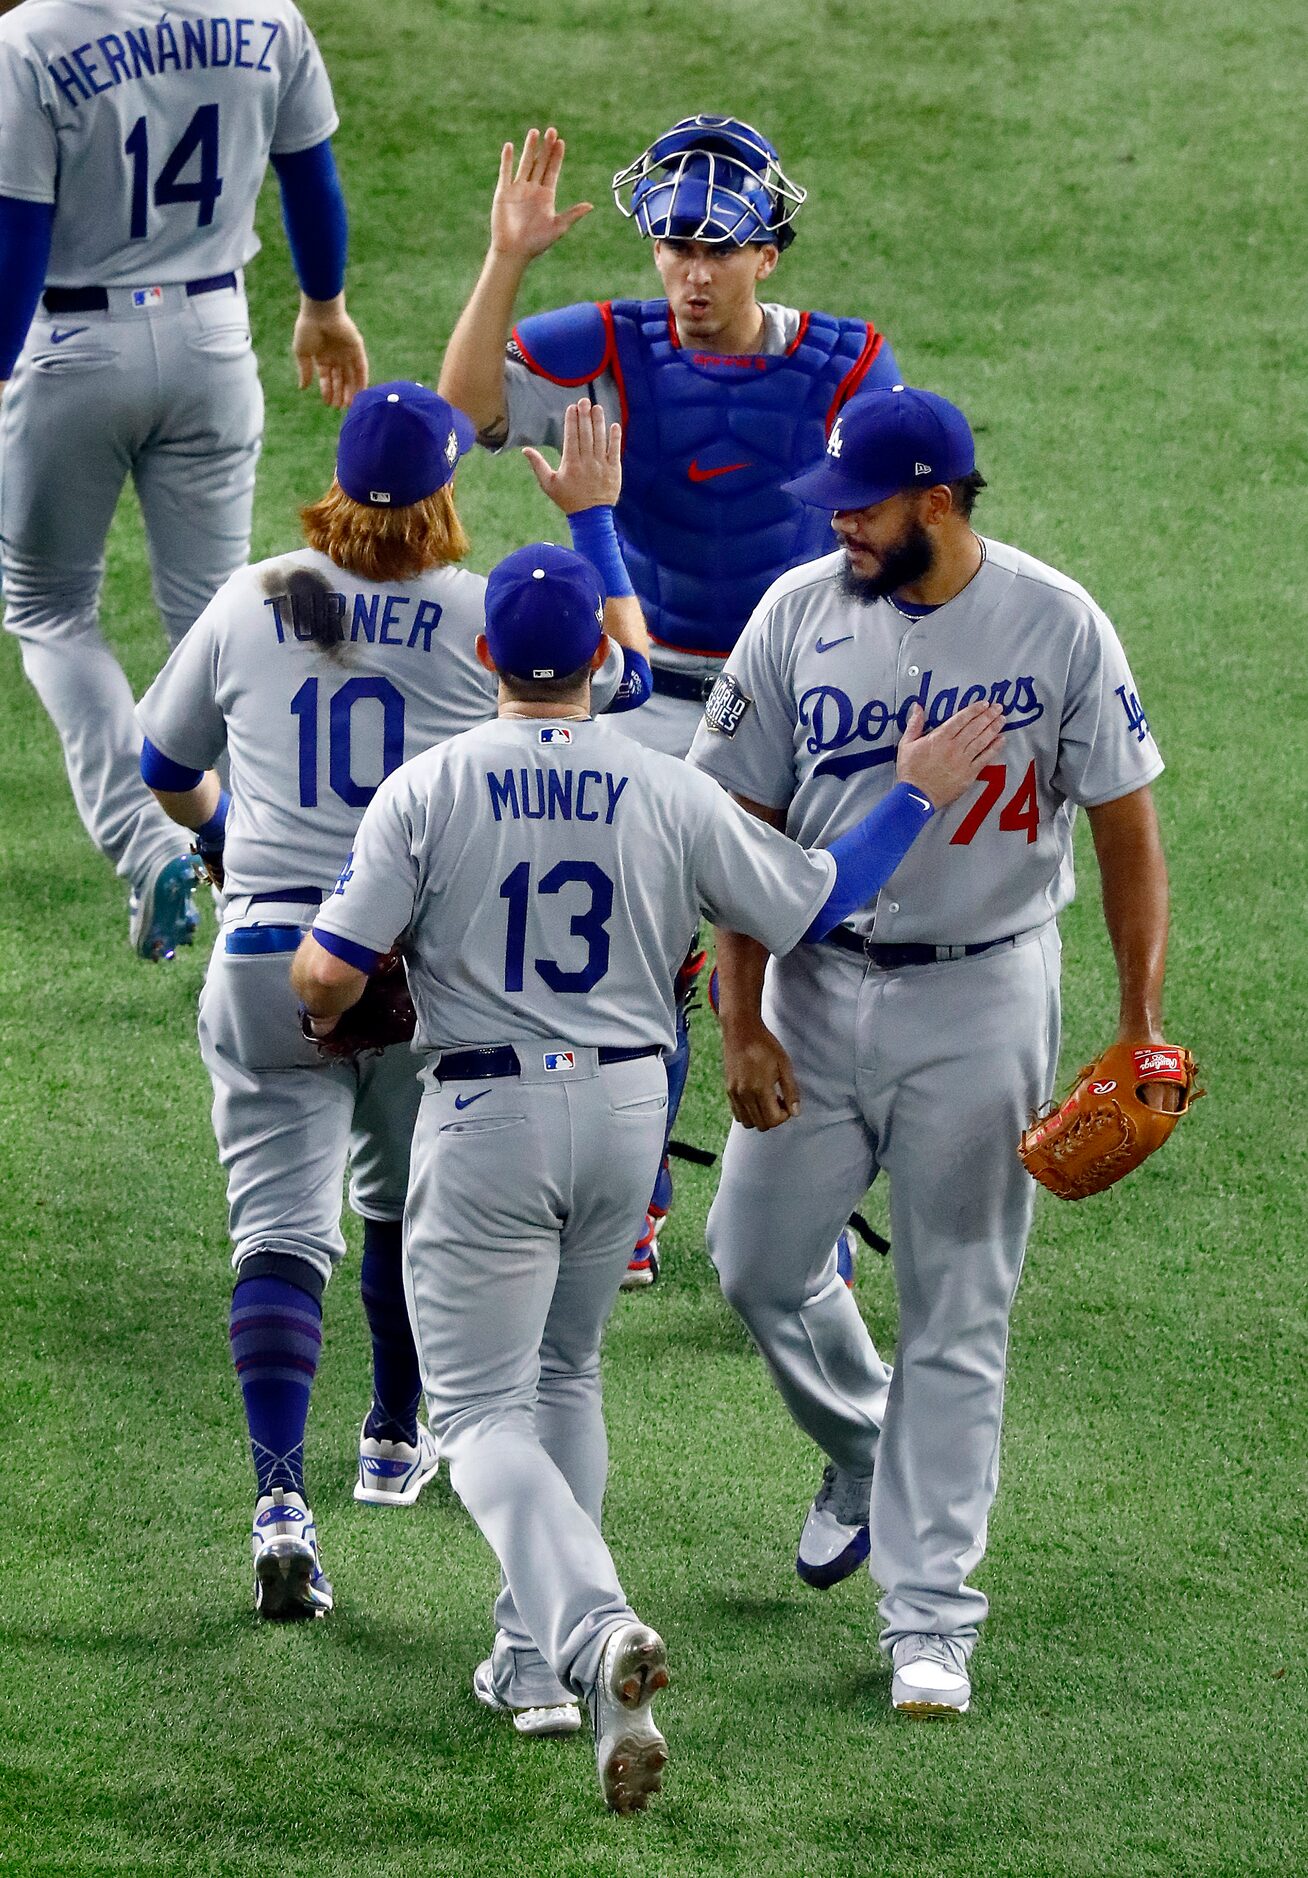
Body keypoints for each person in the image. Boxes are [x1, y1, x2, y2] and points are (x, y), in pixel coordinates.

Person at [290, 537, 1006, 1805]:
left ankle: (590, 1627)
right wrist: (913, 791)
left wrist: (338, 984)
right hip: (628, 1111)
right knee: (564, 1371)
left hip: (487, 1116)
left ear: (486, 656)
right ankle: (528, 1664)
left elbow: (329, 976)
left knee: (472, 1416)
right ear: (605, 666)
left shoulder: (432, 784)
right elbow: (814, 900)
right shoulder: (667, 784)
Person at [687, 383, 1172, 1718]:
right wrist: (737, 1018)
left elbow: (1127, 831)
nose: (837, 519)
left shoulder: (1057, 620)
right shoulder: (795, 615)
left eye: (863, 501)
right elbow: (742, 828)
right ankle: (862, 1443)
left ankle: (929, 1621)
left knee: (961, 1305)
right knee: (757, 1261)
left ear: (938, 503)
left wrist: (1137, 1023)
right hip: (813, 987)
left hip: (985, 995)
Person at [134, 381, 650, 1622]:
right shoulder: (483, 618)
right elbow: (623, 683)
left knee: (275, 1233)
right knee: (413, 1209)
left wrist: (221, 847)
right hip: (423, 975)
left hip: (270, 952)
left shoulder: (256, 595)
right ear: (442, 494)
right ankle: (389, 1434)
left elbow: (165, 768)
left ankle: (277, 1501)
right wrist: (592, 524)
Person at [438, 113, 904, 1283]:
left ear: (768, 253)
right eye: (674, 246)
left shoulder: (850, 364)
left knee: (811, 954)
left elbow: (889, 524)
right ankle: (632, 1203)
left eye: (717, 247)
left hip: (793, 691)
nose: (691, 273)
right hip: (646, 691)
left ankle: (805, 1212)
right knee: (635, 956)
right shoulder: (610, 341)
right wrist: (507, 260)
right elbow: (468, 409)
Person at [0, 0, 369, 960]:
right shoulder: (267, 16)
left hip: (70, 348)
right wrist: (325, 304)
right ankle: (288, 863)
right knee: (214, 624)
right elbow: (311, 177)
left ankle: (153, 839)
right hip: (214, 339)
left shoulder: (34, 38)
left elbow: (18, 242)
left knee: (48, 611)